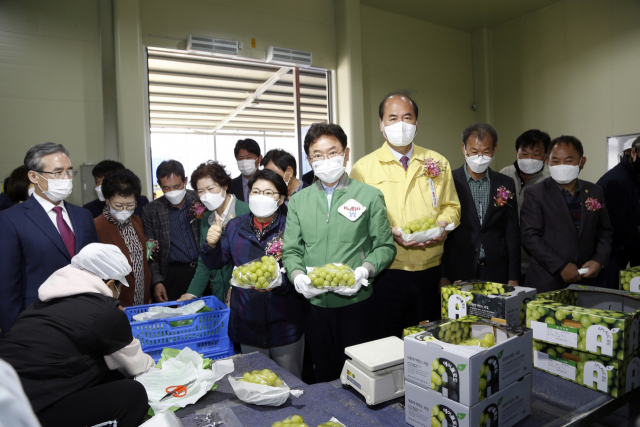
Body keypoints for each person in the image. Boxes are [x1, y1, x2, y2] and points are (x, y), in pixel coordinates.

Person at [283, 123, 396, 382]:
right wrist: (298, 276)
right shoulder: (299, 201)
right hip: (314, 306)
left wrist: (363, 270)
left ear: (346, 153)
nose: (326, 160)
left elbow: (385, 246)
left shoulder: (368, 195)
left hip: (357, 306)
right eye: (317, 155)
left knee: (358, 378)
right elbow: (291, 251)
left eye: (332, 152)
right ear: (309, 160)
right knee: (323, 374)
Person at [0, 243, 154, 427]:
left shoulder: (43, 302)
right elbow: (135, 366)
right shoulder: (104, 311)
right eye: (120, 288)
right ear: (111, 284)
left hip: (11, 395)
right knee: (132, 394)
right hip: (31, 411)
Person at [350, 92, 460, 337]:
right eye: (392, 118)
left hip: (429, 270)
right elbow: (356, 218)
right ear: (381, 125)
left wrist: (443, 225)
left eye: (407, 117)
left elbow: (452, 206)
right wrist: (388, 232)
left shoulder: (437, 162)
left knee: (426, 340)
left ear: (416, 123)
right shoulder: (363, 168)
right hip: (386, 271)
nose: (400, 124)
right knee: (386, 341)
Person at [201, 169, 305, 378]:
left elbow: (302, 267)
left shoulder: (292, 226)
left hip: (284, 321)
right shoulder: (235, 226)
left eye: (269, 193)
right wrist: (210, 244)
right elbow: (217, 261)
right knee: (255, 383)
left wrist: (281, 283)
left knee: (291, 382)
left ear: (282, 199)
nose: (261, 197)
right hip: (247, 321)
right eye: (256, 192)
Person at [0, 142, 98, 333]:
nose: (66, 178)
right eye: (58, 172)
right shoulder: (11, 219)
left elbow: (96, 267)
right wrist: (15, 334)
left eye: (69, 171)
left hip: (86, 318)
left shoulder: (83, 216)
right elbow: (7, 285)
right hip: (38, 322)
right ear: (33, 176)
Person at [521, 135, 613, 292]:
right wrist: (561, 266)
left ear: (581, 162)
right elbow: (530, 236)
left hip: (586, 281)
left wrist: (598, 261)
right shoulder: (535, 193)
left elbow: (604, 231)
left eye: (569, 161)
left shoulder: (594, 191)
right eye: (555, 161)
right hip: (547, 281)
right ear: (548, 162)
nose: (561, 165)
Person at [441, 124, 520, 285]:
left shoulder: (505, 183)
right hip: (458, 268)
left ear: (495, 149)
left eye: (486, 152)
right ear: (464, 148)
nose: (480, 157)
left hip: (496, 269)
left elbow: (511, 232)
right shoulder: (449, 180)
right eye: (474, 152)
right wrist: (442, 276)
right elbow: (442, 233)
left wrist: (514, 276)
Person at [177, 161, 250, 304]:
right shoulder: (206, 219)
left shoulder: (245, 212)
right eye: (201, 191)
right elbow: (204, 261)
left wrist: (238, 284)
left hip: (244, 292)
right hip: (218, 293)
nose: (206, 195)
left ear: (225, 185)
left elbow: (252, 257)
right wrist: (193, 292)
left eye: (211, 188)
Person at [142, 160, 201, 302]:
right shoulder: (151, 210)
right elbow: (150, 251)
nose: (173, 192)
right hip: (171, 275)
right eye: (166, 188)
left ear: (185, 181)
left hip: (201, 270)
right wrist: (157, 281)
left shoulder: (200, 200)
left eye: (177, 186)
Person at [499, 129, 551, 282]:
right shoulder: (504, 175)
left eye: (536, 154)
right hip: (507, 262)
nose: (529, 159)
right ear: (517, 152)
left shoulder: (551, 182)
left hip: (538, 264)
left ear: (546, 156)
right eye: (525, 153)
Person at [94, 169, 151, 306]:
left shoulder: (137, 221)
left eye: (130, 205)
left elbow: (143, 262)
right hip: (115, 303)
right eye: (118, 205)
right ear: (107, 200)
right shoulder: (96, 226)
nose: (124, 210)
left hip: (142, 299)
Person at [596, 136, 640, 288]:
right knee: (611, 295)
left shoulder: (634, 177)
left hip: (627, 246)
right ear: (633, 153)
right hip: (612, 252)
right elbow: (615, 224)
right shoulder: (617, 181)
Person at [83, 160, 149, 219]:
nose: (100, 186)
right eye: (97, 182)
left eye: (104, 182)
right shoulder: (89, 209)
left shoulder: (141, 202)